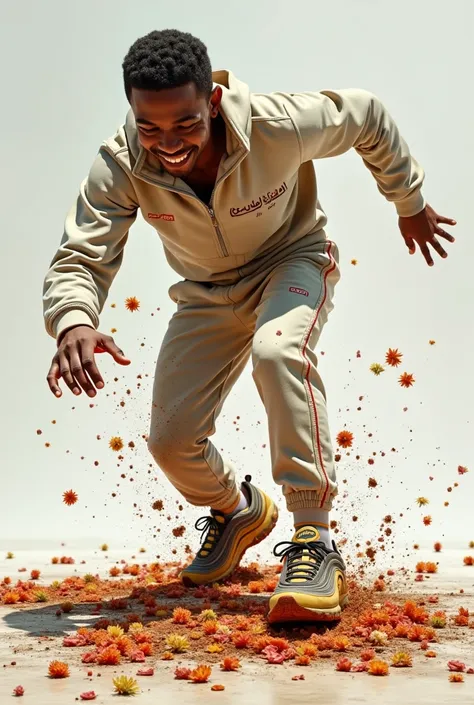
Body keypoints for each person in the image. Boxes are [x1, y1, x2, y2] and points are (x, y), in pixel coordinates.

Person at [43, 29, 456, 624]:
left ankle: (314, 542)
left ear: (211, 101)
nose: (168, 144)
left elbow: (363, 113)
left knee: (276, 349)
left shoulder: (274, 124)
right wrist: (74, 321)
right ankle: (236, 510)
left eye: (184, 124)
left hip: (291, 261)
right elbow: (81, 255)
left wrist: (407, 199)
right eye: (149, 127)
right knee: (170, 439)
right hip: (204, 296)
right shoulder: (122, 162)